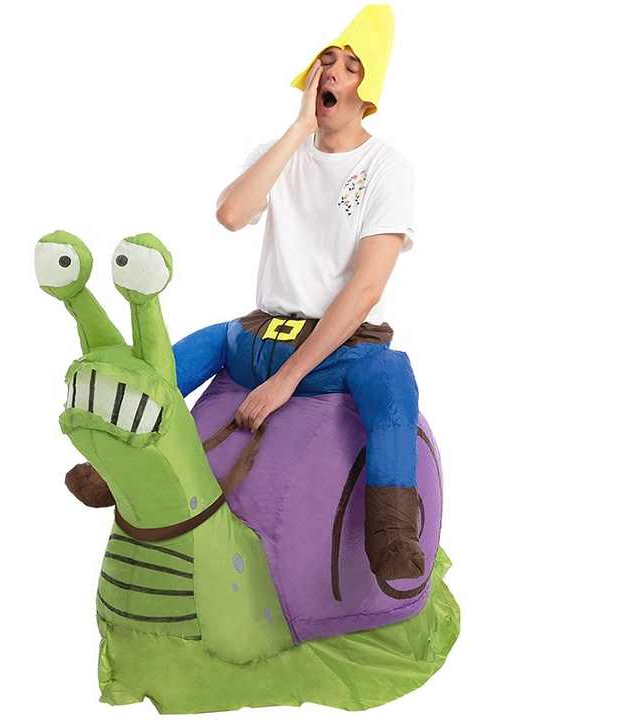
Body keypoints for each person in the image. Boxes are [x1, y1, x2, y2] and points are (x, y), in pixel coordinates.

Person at [171, 5, 425, 588]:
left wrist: (287, 381)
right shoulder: (281, 152)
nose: (333, 72)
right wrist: (297, 131)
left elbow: (366, 287)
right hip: (261, 334)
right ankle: (118, 465)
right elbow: (231, 214)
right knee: (191, 348)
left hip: (342, 347)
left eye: (351, 67)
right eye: (326, 61)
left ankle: (392, 536)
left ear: (368, 92)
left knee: (392, 380)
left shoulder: (387, 168)